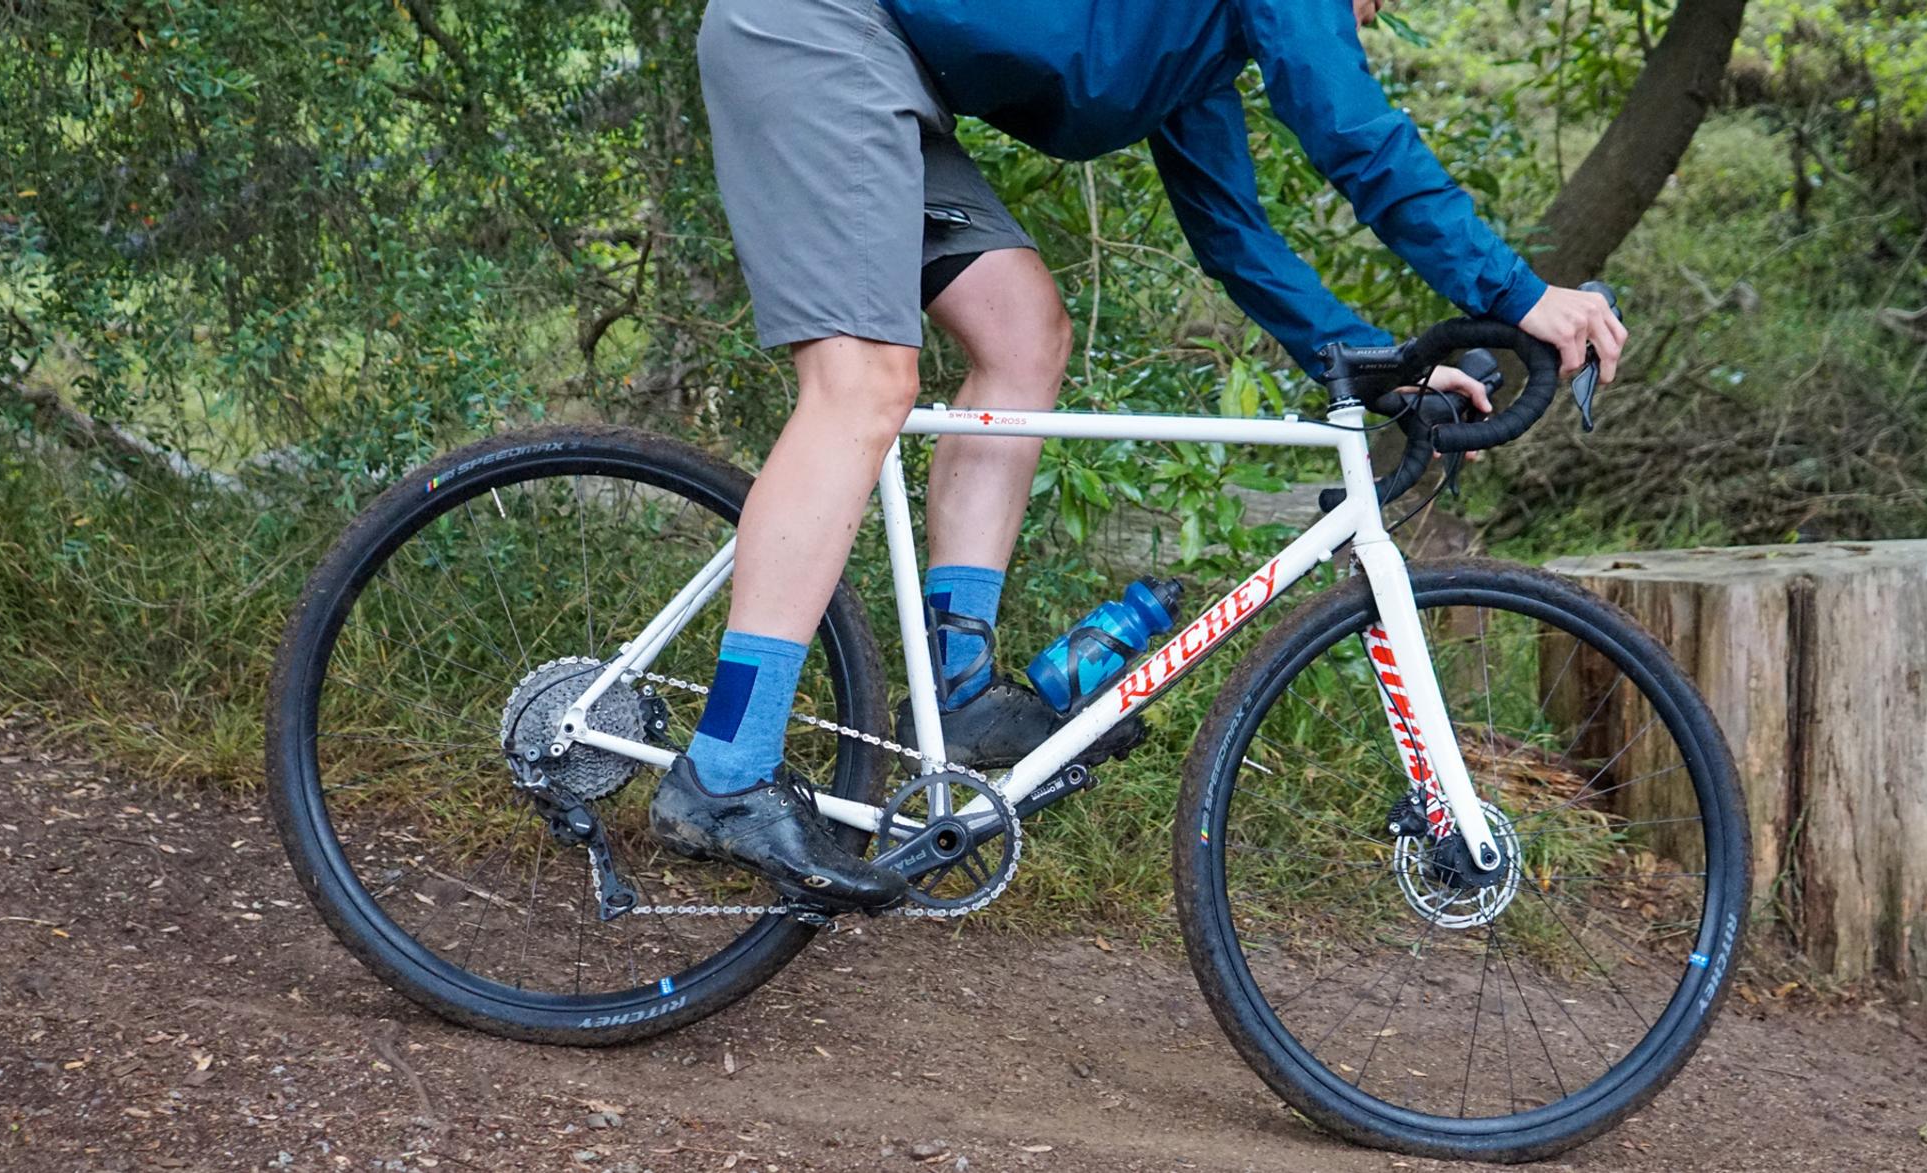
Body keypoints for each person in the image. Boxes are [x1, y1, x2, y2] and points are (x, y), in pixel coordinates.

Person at [648, 0, 1629, 909]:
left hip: (891, 72)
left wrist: (1375, 366)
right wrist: (1516, 294)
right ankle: (726, 771)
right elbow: (1349, 129)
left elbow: (1235, 237)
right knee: (862, 384)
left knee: (1023, 335)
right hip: (820, 32)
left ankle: (952, 691)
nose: (1376, 12)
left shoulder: (1198, 46)